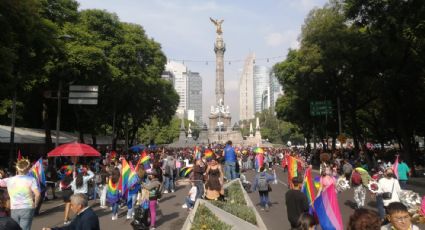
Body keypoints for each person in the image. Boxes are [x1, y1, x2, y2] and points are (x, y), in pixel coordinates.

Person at [0, 159, 40, 230]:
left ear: (17, 169)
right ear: (28, 169)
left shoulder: (9, 180)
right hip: (27, 207)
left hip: (14, 208)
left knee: (15, 228)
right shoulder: (31, 179)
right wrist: (35, 205)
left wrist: (1, 174)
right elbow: (37, 194)